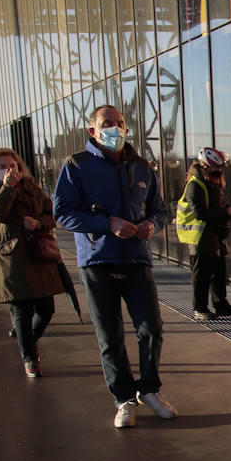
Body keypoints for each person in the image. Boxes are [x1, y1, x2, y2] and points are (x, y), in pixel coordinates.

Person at [52, 104, 173, 429]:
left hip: (136, 260)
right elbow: (62, 212)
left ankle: (149, 389)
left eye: (120, 123)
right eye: (107, 123)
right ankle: (123, 399)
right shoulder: (77, 166)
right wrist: (107, 224)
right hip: (98, 261)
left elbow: (160, 210)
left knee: (151, 328)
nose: (115, 128)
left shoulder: (143, 167)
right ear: (92, 130)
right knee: (110, 335)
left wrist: (152, 225)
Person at [0, 148, 65, 377]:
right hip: (12, 259)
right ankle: (29, 358)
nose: (9, 171)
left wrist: (38, 224)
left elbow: (51, 214)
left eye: (12, 166)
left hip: (38, 254)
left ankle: (28, 343)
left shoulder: (32, 187)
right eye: (2, 167)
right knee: (21, 311)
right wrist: (7, 187)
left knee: (47, 309)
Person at [176, 147, 231, 320]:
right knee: (202, 274)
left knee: (218, 271)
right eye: (215, 169)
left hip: (214, 235)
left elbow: (216, 205)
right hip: (200, 237)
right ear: (205, 166)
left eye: (220, 169)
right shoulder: (195, 184)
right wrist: (225, 213)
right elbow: (200, 213)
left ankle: (221, 304)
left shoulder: (211, 184)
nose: (218, 172)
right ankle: (200, 308)